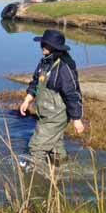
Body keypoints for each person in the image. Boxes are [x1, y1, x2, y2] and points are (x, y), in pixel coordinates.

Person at [20, 29, 85, 167]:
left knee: (36, 148)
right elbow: (36, 82)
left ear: (55, 47)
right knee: (55, 149)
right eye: (42, 43)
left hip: (56, 116)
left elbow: (73, 94)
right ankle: (66, 171)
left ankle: (36, 182)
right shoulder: (45, 62)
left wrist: (77, 119)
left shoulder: (64, 67)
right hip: (45, 114)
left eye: (46, 44)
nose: (42, 46)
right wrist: (27, 99)